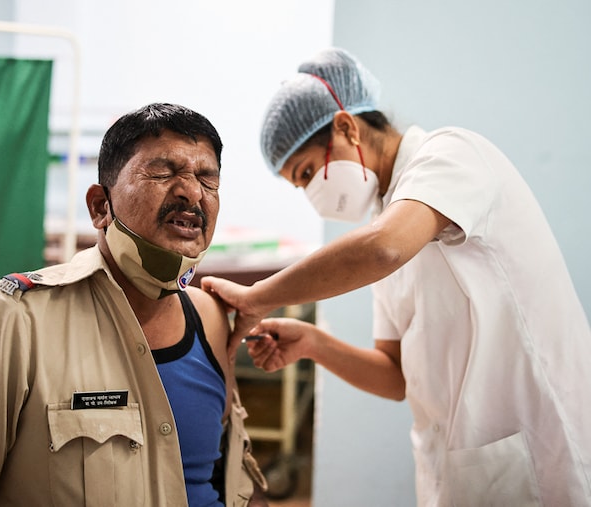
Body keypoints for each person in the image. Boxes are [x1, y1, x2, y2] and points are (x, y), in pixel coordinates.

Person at [202, 48, 591, 506]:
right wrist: (311, 343)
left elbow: (385, 248)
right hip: (460, 468)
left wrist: (258, 297)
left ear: (346, 127)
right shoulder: (386, 216)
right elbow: (395, 377)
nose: (312, 193)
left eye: (307, 172)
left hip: (537, 453)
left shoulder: (449, 156)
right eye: (299, 185)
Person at [0, 103, 268, 506]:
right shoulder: (14, 319)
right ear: (100, 207)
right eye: (163, 173)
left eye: (207, 180)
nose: (192, 192)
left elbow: (231, 475)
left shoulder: (209, 316)